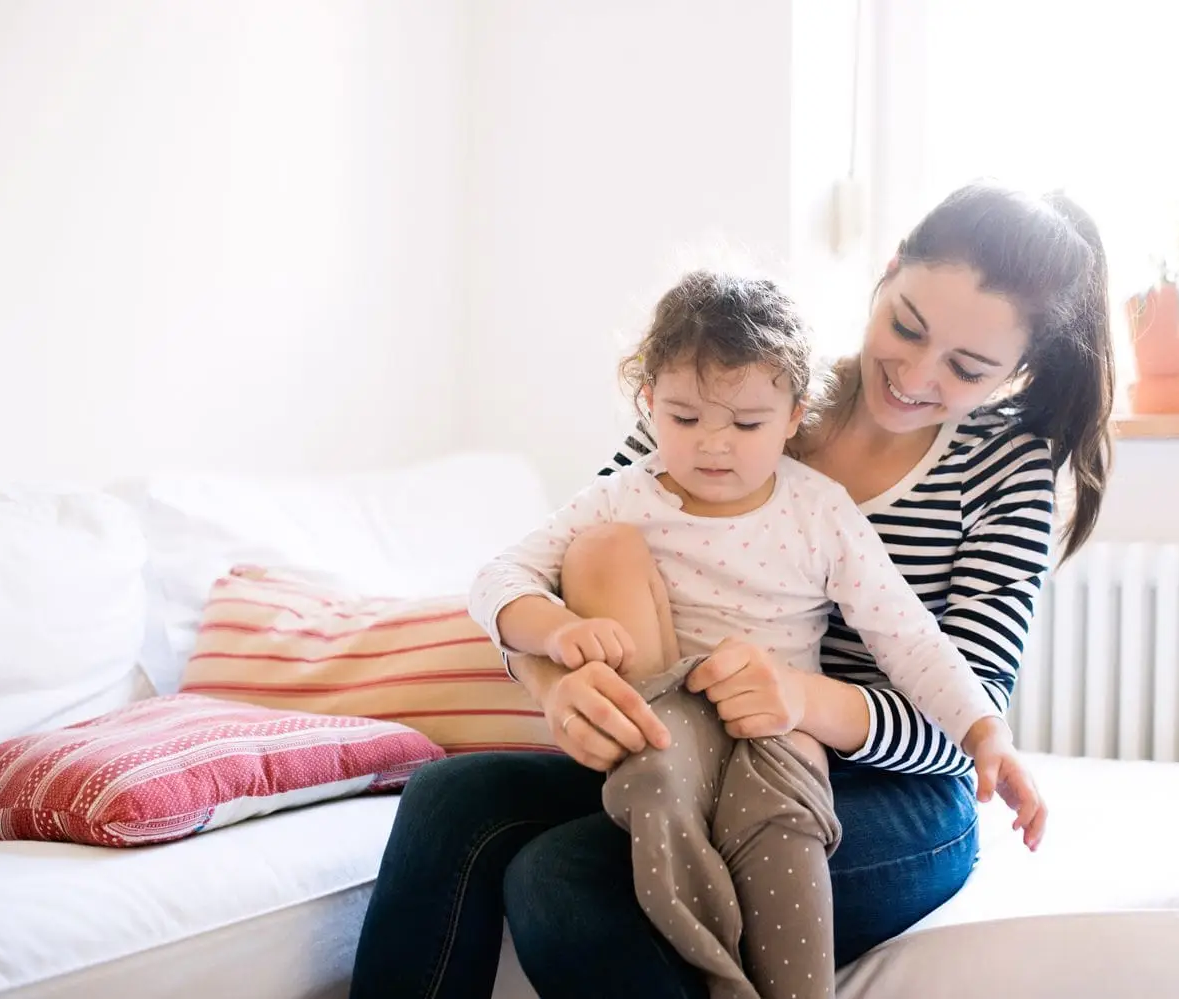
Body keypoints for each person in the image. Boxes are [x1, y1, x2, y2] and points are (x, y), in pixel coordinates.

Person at [349, 181, 1114, 999]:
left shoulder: (1007, 466)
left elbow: (962, 709)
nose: (915, 374)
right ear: (888, 273)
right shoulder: (735, 384)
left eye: (967, 367)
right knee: (447, 796)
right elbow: (564, 559)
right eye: (907, 325)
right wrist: (555, 682)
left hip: (885, 788)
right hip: (688, 735)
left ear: (1018, 368)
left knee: (562, 879)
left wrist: (797, 697)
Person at [469, 269, 1042, 999]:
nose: (713, 444)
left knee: (779, 842)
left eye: (745, 424)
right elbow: (500, 578)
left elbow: (913, 639)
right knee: (506, 797)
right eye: (683, 418)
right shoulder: (629, 490)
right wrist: (553, 640)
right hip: (665, 730)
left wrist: (986, 731)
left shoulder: (820, 510)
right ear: (650, 404)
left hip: (779, 737)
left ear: (793, 415)